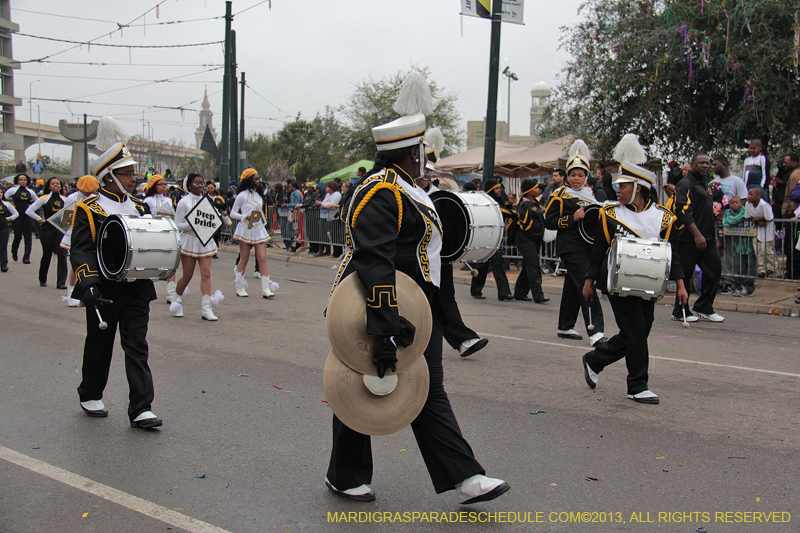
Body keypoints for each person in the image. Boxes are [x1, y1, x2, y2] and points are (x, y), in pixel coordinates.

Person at [325, 81, 508, 505]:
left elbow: (428, 257)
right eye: (423, 151)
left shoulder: (411, 189)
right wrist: (385, 323)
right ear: (412, 152)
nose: (427, 157)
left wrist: (442, 317)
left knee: (424, 387)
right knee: (362, 383)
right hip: (376, 306)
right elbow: (374, 261)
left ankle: (464, 476)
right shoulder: (379, 190)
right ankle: (346, 473)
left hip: (416, 310)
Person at [71, 117, 161, 429]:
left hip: (135, 288)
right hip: (104, 289)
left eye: (133, 172)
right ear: (109, 176)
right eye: (127, 173)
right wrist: (89, 284)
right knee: (100, 344)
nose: (134, 178)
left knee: (137, 346)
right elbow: (81, 249)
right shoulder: (90, 209)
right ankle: (90, 392)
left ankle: (140, 408)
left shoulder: (138, 207)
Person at [581, 156, 688, 405]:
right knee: (636, 333)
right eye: (618, 186)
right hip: (617, 285)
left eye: (623, 186)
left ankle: (596, 359)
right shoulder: (610, 214)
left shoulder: (663, 217)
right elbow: (597, 251)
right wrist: (589, 280)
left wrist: (681, 284)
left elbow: (674, 254)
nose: (618, 190)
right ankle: (637, 385)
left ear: (639, 188)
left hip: (649, 285)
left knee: (638, 333)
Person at [544, 140, 606, 345]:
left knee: (573, 285)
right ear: (567, 176)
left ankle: (565, 325)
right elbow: (549, 221)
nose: (576, 178)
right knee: (585, 284)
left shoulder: (591, 196)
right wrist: (572, 218)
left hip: (586, 246)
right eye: (572, 175)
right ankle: (595, 330)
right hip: (570, 247)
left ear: (586, 176)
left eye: (580, 175)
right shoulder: (560, 195)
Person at [672, 154, 724, 322]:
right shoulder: (685, 184)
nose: (705, 166)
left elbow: (708, 212)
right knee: (685, 275)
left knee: (714, 270)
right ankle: (680, 311)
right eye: (701, 163)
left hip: (707, 239)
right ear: (692, 164)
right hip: (689, 238)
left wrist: (712, 235)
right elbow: (683, 211)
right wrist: (696, 234)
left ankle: (704, 307)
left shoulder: (705, 184)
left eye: (707, 163)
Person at [172, 173, 223, 320]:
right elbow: (176, 224)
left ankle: (206, 309)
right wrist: (191, 224)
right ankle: (176, 300)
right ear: (189, 185)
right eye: (197, 183)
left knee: (206, 273)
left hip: (205, 241)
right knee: (187, 275)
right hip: (189, 240)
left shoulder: (206, 201)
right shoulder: (184, 202)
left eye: (202, 183)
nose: (200, 186)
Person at [229, 168, 275, 299]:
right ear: (248, 180)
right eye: (254, 179)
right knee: (244, 258)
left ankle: (266, 288)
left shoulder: (260, 195)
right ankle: (240, 286)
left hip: (258, 228)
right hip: (245, 228)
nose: (257, 181)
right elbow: (233, 213)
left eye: (258, 178)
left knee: (262, 258)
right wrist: (245, 216)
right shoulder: (241, 195)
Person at [468, 177, 514, 301]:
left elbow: (507, 207)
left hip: (496, 238)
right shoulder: (487, 202)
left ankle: (504, 292)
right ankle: (476, 290)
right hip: (486, 237)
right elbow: (501, 211)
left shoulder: (501, 201)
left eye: (500, 188)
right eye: (496, 188)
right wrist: (512, 213)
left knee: (498, 265)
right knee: (482, 265)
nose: (499, 190)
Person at [60, 175, 100, 307]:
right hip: (76, 233)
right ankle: (71, 292)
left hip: (92, 233)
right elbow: (66, 217)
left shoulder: (96, 198)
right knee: (76, 263)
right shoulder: (72, 198)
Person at [142, 174, 179, 303]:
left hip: (167, 232)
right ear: (153, 186)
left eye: (165, 185)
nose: (164, 187)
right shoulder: (148, 201)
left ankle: (171, 293)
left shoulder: (168, 200)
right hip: (152, 233)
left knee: (171, 262)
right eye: (161, 184)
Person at [25, 177, 67, 289]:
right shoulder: (44, 198)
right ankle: (42, 279)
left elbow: (68, 213)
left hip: (60, 230)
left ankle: (61, 282)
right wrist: (40, 219)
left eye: (58, 183)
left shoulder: (65, 199)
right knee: (47, 254)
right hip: (47, 229)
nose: (56, 185)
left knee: (62, 255)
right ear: (49, 186)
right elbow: (29, 211)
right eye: (53, 184)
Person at [513, 179, 549, 303]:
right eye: (535, 188)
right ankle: (538, 295)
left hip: (535, 238)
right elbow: (524, 222)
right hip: (525, 238)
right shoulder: (524, 204)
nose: (538, 190)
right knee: (533, 265)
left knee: (528, 265)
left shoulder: (537, 203)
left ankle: (520, 292)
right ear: (528, 191)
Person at [722, 197, 756, 296]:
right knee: (738, 267)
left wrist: (731, 220)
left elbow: (732, 221)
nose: (734, 205)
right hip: (737, 245)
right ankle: (738, 287)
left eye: (736, 202)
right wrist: (730, 219)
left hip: (748, 245)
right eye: (732, 203)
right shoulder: (728, 211)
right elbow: (726, 223)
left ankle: (749, 288)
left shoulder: (745, 211)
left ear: (741, 203)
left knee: (749, 267)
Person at [5, 174, 37, 263]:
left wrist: (32, 206)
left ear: (27, 181)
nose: (23, 181)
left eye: (24, 180)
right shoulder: (13, 190)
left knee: (28, 237)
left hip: (27, 216)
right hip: (17, 216)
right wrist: (10, 207)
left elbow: (37, 202)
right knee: (18, 236)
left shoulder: (30, 192)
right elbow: (4, 199)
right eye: (21, 180)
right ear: (17, 181)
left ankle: (26, 257)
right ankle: (14, 251)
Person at [745, 186, 776, 278]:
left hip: (767, 230)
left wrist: (759, 219)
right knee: (757, 250)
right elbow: (748, 216)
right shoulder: (748, 204)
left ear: (758, 196)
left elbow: (769, 217)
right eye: (748, 194)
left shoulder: (764, 205)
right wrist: (754, 220)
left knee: (766, 249)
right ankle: (761, 269)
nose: (748, 196)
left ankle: (771, 267)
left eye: (751, 194)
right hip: (757, 229)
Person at [319, 181, 342, 257]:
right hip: (328, 218)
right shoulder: (328, 195)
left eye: (327, 187)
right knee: (332, 235)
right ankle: (335, 252)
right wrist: (323, 204)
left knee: (336, 235)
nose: (326, 188)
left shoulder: (337, 194)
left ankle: (338, 252)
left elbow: (331, 205)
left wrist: (322, 204)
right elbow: (325, 203)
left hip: (334, 217)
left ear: (331, 188)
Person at [0, 195, 19, 272]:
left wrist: (10, 218)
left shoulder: (6, 204)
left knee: (3, 245)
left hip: (3, 227)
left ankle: (4, 265)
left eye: (1, 192)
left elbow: (16, 213)